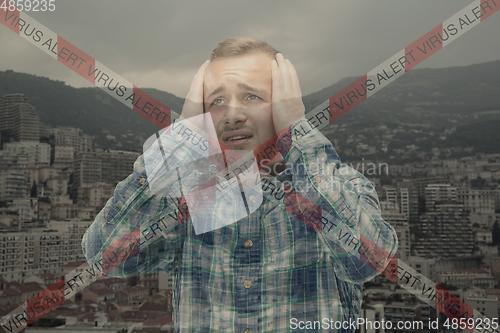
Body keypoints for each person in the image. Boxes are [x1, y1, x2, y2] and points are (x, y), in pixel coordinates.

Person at [82, 37, 398, 333]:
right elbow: (106, 256)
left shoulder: (339, 187)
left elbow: (367, 262)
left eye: (252, 96)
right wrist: (183, 133)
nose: (232, 114)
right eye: (217, 101)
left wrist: (296, 129)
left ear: (283, 105)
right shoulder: (186, 204)